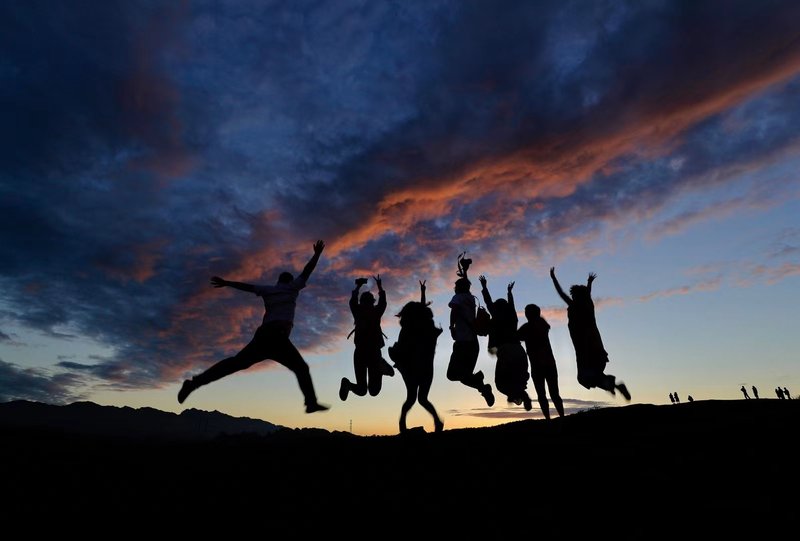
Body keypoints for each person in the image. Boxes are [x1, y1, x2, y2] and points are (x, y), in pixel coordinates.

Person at [177, 240, 329, 413]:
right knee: (301, 368)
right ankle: (311, 403)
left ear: (278, 281)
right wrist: (317, 254)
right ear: (290, 281)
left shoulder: (268, 290)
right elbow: (307, 271)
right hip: (277, 338)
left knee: (235, 363)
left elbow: (248, 287)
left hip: (263, 338)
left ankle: (194, 384)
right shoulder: (292, 288)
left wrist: (227, 283)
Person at [549, 267, 630, 400]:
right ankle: (614, 386)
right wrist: (589, 283)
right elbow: (587, 293)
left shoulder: (574, 305)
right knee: (594, 375)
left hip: (585, 350)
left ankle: (612, 385)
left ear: (575, 296)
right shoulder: (589, 305)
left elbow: (561, 293)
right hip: (596, 347)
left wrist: (553, 278)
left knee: (584, 378)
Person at [388, 280, 444, 434]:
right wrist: (423, 292)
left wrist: (423, 292)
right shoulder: (428, 329)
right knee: (421, 399)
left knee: (412, 398)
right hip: (424, 368)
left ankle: (403, 425)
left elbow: (421, 310)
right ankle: (436, 422)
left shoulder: (409, 330)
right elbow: (422, 310)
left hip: (412, 369)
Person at [446, 253, 495, 407]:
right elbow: (466, 285)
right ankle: (482, 387)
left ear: (458, 288)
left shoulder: (458, 298)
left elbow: (454, 311)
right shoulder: (470, 298)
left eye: (456, 286)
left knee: (452, 375)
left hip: (462, 343)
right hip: (473, 344)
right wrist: (465, 271)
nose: (454, 288)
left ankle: (481, 384)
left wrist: (452, 327)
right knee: (463, 375)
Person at [480, 275, 531, 410]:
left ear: (496, 308)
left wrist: (484, 286)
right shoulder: (512, 316)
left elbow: (488, 302)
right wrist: (509, 293)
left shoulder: (496, 315)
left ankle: (517, 394)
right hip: (519, 351)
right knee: (519, 378)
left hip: (506, 350)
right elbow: (511, 305)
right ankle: (519, 393)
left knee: (501, 382)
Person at [339, 275, 394, 401]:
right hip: (372, 353)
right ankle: (381, 368)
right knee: (373, 391)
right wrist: (379, 286)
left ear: (362, 301)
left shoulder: (358, 311)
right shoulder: (375, 311)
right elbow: (383, 302)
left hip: (362, 353)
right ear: (372, 302)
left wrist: (358, 286)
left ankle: (350, 384)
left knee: (362, 390)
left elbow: (353, 301)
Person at [517, 303, 564, 419]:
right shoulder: (542, 325)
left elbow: (516, 336)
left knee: (544, 394)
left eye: (527, 312)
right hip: (548, 364)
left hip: (540, 366)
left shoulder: (530, 327)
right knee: (552, 394)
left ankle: (551, 419)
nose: (526, 315)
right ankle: (560, 417)